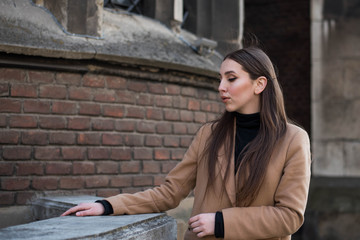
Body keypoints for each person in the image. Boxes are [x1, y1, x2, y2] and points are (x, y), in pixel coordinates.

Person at [62, 46, 311, 240]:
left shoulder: (293, 140)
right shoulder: (209, 135)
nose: (221, 87)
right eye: (220, 78)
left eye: (231, 78)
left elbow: (290, 216)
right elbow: (169, 194)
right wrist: (107, 206)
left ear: (260, 84)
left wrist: (221, 223)